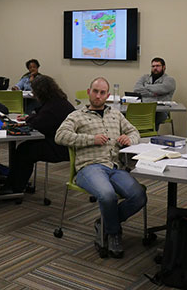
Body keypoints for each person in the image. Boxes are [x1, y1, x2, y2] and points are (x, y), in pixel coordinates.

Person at [55, 77, 146, 258]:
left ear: (108, 96)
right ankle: (113, 234)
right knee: (107, 195)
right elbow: (60, 136)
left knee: (139, 195)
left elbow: (134, 132)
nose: (98, 96)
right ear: (89, 92)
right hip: (89, 168)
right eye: (95, 91)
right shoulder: (76, 116)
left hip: (115, 167)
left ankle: (104, 223)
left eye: (102, 92)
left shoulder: (116, 114)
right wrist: (91, 139)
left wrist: (130, 140)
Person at [0, 75, 75, 195]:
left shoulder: (51, 107)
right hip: (64, 144)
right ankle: (15, 183)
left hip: (61, 148)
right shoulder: (58, 102)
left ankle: (15, 187)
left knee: (24, 150)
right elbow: (40, 117)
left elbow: (37, 123)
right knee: (25, 148)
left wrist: (28, 119)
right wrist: (30, 118)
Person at [133, 57, 176, 129]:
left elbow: (160, 89)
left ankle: (151, 136)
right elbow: (136, 89)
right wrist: (153, 93)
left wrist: (146, 86)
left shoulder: (169, 80)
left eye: (158, 66)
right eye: (153, 66)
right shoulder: (145, 77)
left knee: (151, 117)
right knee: (126, 114)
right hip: (143, 107)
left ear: (164, 67)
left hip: (160, 110)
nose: (155, 68)